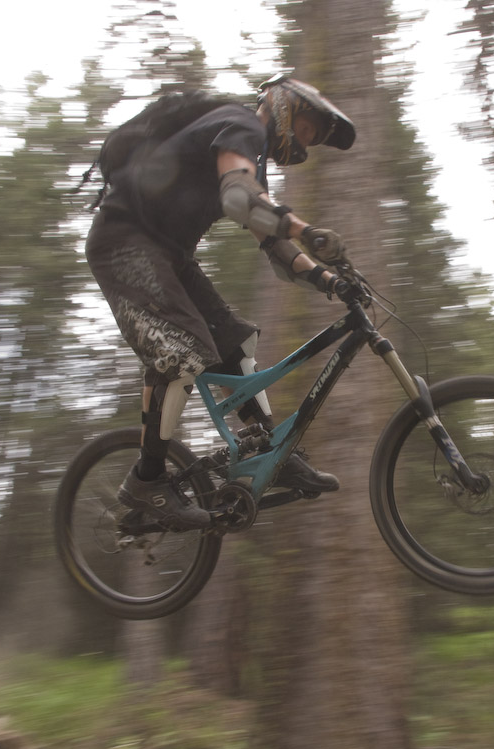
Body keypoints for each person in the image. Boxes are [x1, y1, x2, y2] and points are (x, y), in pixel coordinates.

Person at [84, 74, 356, 530]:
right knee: (181, 350)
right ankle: (147, 481)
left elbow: (275, 246)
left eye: (311, 140)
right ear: (285, 108)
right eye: (307, 129)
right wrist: (306, 229)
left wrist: (329, 280)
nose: (304, 143)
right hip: (124, 242)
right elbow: (239, 198)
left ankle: (268, 448)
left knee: (233, 342)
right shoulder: (241, 125)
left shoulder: (251, 157)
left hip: (168, 254)